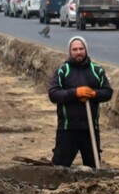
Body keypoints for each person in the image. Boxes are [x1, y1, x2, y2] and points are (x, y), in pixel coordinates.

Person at [48, 36, 113, 168]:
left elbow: (107, 92)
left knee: (93, 168)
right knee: (59, 168)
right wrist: (75, 93)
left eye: (81, 49)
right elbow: (54, 94)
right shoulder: (63, 71)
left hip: (90, 129)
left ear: (86, 50)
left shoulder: (97, 70)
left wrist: (94, 94)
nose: (78, 52)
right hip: (67, 128)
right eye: (75, 49)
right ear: (70, 52)